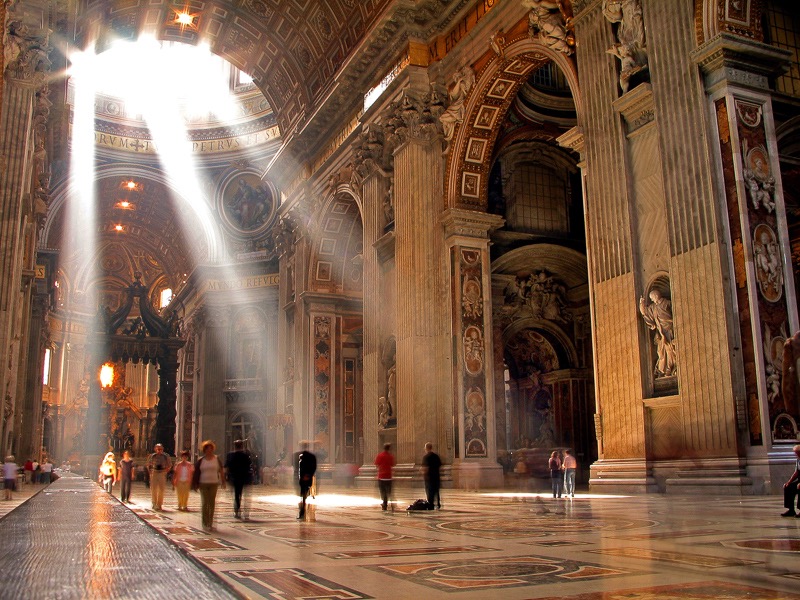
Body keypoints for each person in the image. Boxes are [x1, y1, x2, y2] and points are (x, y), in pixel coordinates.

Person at [192, 440, 225, 531]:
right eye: (207, 449)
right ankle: (205, 522)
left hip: (214, 483)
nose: (209, 451)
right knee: (205, 503)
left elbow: (221, 471)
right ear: (205, 450)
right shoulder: (201, 460)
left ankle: (210, 522)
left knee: (211, 503)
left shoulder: (216, 459)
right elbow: (196, 472)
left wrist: (223, 481)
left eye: (211, 449)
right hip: (203, 483)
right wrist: (195, 483)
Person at [225, 439, 252, 520]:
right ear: (242, 446)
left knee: (237, 495)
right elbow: (249, 466)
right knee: (246, 496)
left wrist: (226, 477)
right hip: (244, 477)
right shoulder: (246, 455)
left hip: (235, 477)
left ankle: (237, 510)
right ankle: (246, 512)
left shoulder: (230, 455)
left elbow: (227, 467)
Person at [293, 441, 317, 520]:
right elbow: (313, 467)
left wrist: (307, 475)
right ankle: (302, 510)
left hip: (305, 478)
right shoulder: (305, 456)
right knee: (303, 495)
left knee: (303, 495)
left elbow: (311, 467)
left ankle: (302, 511)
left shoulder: (303, 456)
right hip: (304, 478)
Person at [147, 443, 172, 511]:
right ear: (155, 449)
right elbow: (148, 464)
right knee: (153, 489)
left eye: (160, 449)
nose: (159, 450)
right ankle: (154, 503)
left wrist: (166, 471)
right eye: (158, 449)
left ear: (162, 449)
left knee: (161, 489)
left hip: (162, 472)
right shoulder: (152, 456)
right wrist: (150, 472)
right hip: (154, 472)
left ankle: (159, 504)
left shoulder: (166, 456)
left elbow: (169, 465)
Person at [374, 443, 396, 511]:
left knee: (383, 492)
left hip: (381, 476)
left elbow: (376, 464)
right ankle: (392, 503)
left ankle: (385, 504)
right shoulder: (391, 456)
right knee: (389, 491)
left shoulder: (380, 455)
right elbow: (393, 464)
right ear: (389, 448)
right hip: (389, 476)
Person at [421, 442, 442, 509]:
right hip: (436, 477)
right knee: (436, 491)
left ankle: (431, 504)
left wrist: (423, 472)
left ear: (426, 448)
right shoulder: (436, 456)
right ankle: (438, 503)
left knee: (429, 491)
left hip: (429, 478)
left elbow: (425, 468)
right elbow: (439, 465)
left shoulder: (426, 457)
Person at [781, 445, 800, 517]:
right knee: (788, 487)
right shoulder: (798, 460)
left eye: (796, 452)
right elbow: (796, 472)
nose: (795, 454)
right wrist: (789, 482)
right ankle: (791, 510)